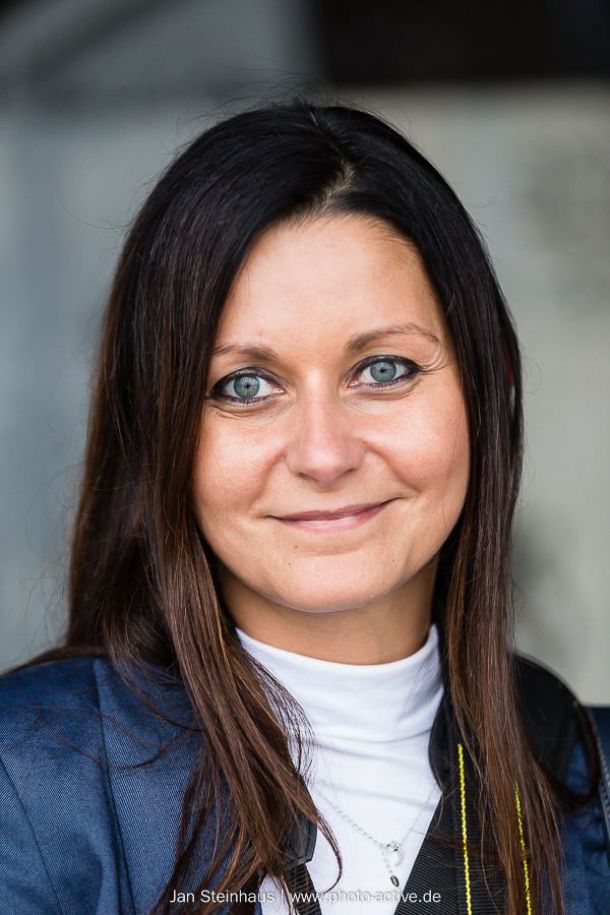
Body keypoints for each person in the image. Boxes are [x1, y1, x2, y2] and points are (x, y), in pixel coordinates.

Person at [0, 99, 608, 915]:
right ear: (159, 426)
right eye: (245, 385)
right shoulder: (30, 783)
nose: (324, 453)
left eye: (384, 369)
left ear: (487, 378)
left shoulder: (592, 790)